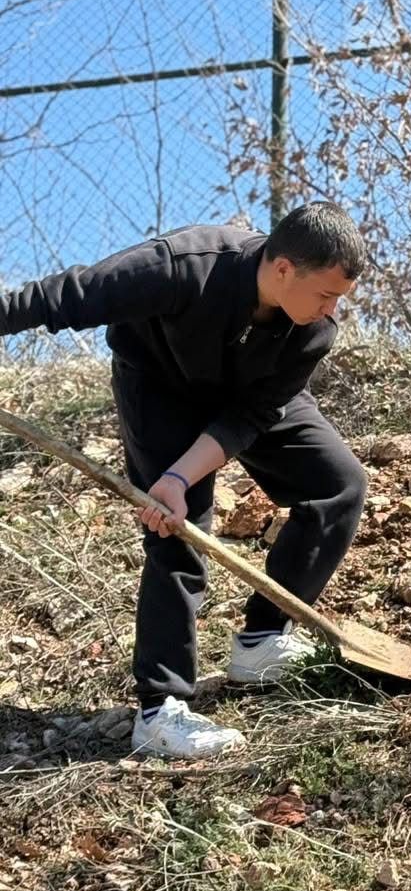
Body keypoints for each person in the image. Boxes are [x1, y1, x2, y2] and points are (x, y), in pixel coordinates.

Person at [0, 205, 369, 760]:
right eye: (325, 294)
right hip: (160, 392)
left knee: (338, 485)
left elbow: (251, 415)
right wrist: (173, 483)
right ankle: (160, 712)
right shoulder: (183, 266)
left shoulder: (313, 329)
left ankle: (262, 642)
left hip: (249, 396)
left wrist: (180, 472)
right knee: (178, 530)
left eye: (339, 298)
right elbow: (63, 296)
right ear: (285, 269)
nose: (332, 309)